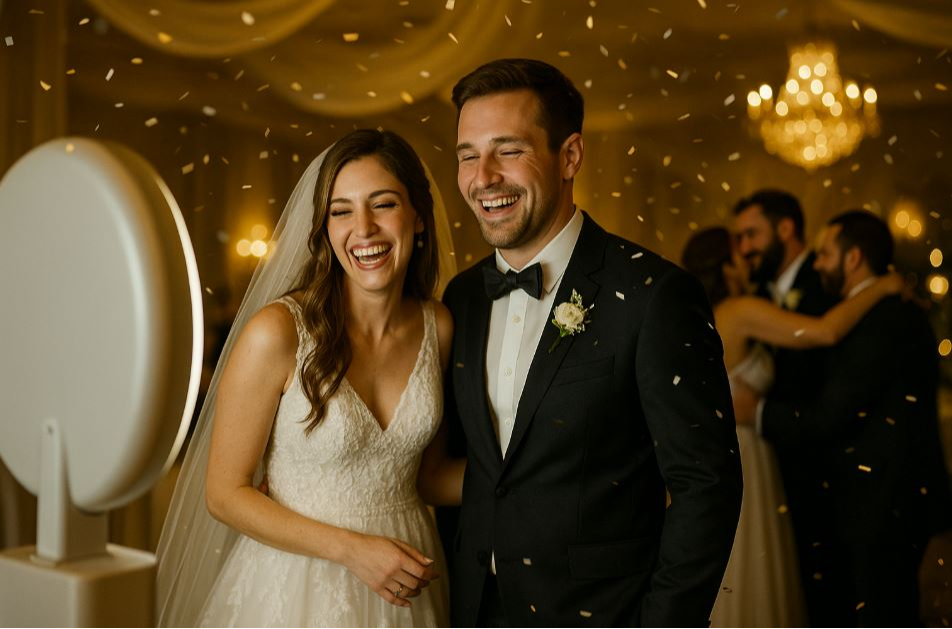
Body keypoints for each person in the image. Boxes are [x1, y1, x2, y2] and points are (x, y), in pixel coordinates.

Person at [442, 58, 743, 628]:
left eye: (508, 150)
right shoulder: (460, 299)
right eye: (466, 155)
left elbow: (707, 484)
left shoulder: (655, 294)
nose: (482, 177)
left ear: (570, 156)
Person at [155, 129, 462, 627]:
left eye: (382, 204)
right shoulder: (277, 332)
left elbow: (428, 477)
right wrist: (352, 550)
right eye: (341, 211)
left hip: (408, 588)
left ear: (418, 216)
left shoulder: (438, 327)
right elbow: (224, 494)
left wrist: (537, 474)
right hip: (296, 588)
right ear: (323, 226)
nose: (363, 228)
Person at [734, 211, 952, 626]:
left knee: (882, 611)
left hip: (885, 501)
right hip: (879, 497)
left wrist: (759, 411)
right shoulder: (875, 309)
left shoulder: (884, 319)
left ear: (853, 259)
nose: (817, 264)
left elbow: (832, 414)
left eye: (826, 254)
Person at [682, 226, 903, 627]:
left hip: (726, 450)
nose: (748, 257)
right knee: (754, 556)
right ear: (726, 264)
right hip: (747, 450)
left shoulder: (697, 315)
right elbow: (826, 331)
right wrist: (884, 287)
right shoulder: (740, 310)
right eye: (740, 251)